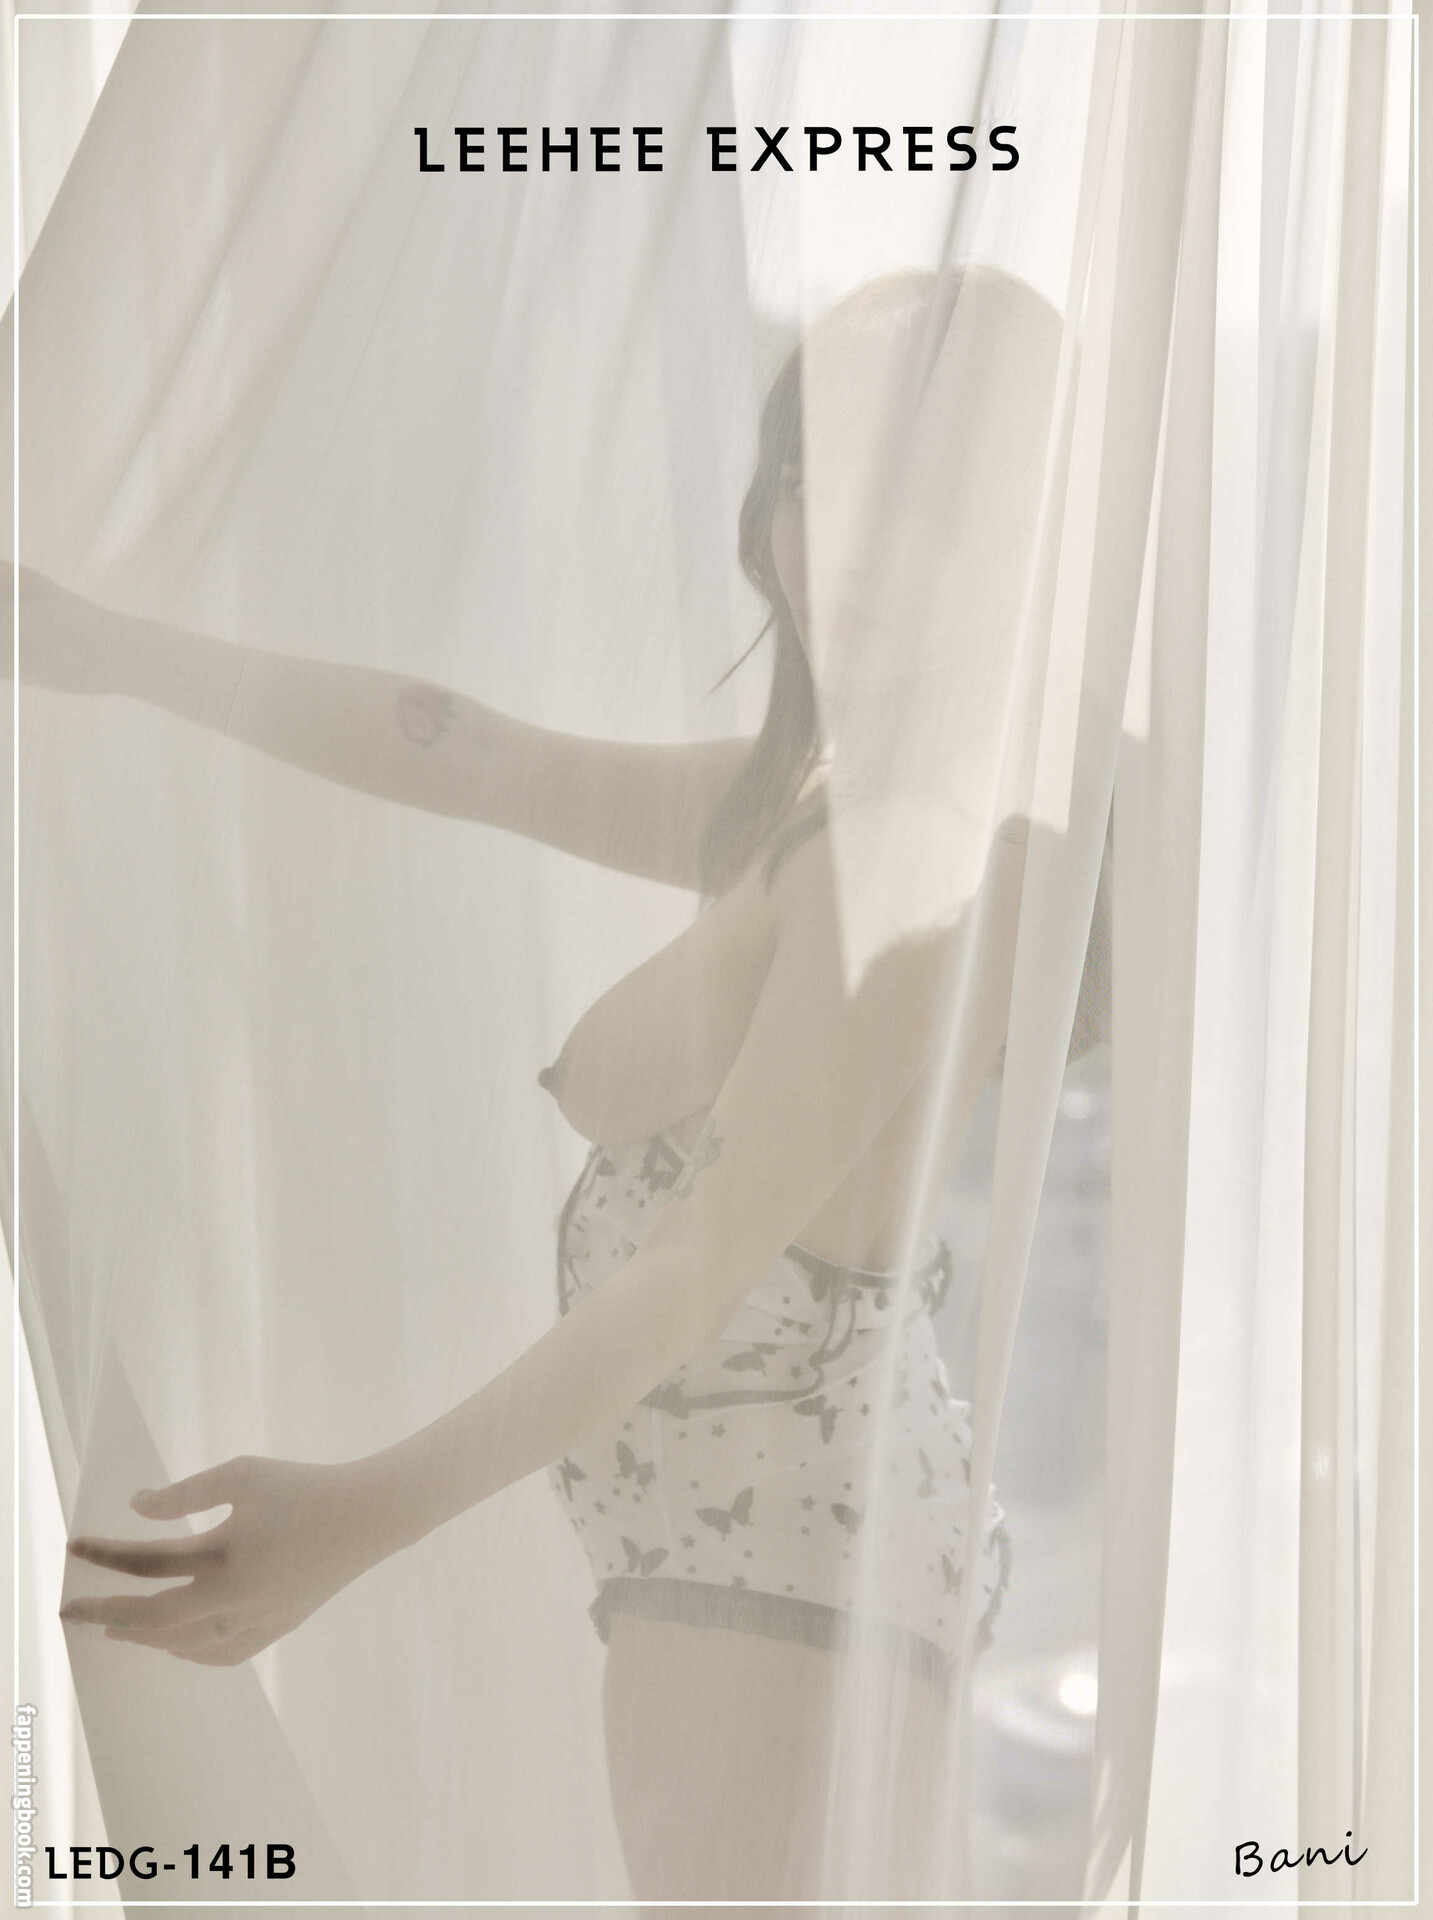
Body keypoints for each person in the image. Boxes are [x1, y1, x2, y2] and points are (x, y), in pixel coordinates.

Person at [40, 269, 1046, 1904]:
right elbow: (472, 754)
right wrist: (112, 652)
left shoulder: (905, 863)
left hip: (787, 1556)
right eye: (814, 473)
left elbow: (694, 1269)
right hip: (736, 1545)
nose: (843, 537)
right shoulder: (801, 808)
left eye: (914, 489)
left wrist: (355, 1517)